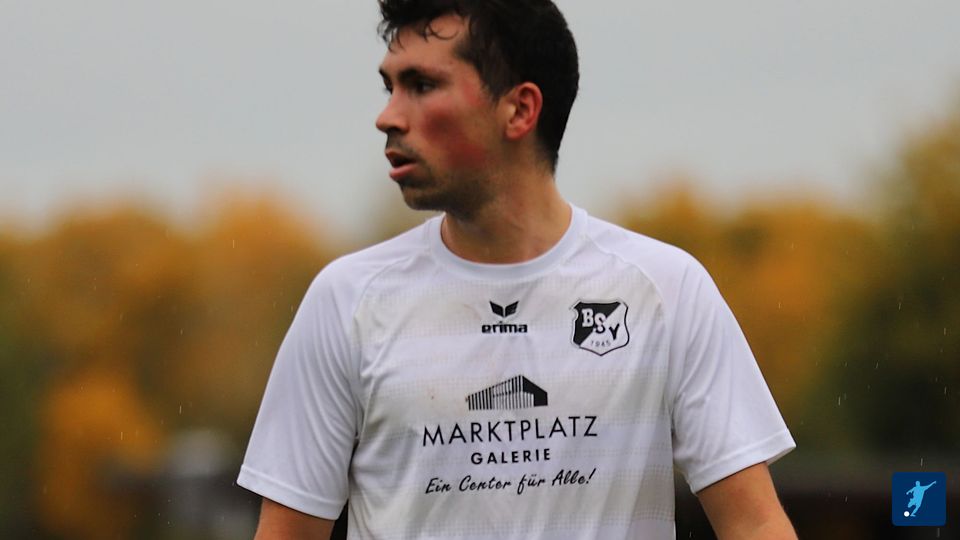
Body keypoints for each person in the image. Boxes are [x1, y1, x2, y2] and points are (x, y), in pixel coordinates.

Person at [237, 1, 797, 538]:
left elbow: (753, 525)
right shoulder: (347, 301)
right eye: (391, 87)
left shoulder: (665, 290)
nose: (388, 117)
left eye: (422, 85)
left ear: (520, 110)